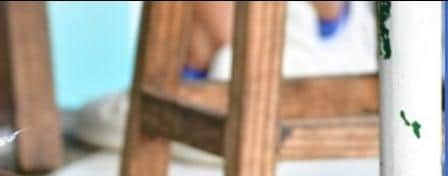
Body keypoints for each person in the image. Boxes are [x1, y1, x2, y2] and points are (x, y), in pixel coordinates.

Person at [74, 1, 378, 162]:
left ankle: (205, 68)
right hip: (351, 53)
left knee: (108, 117)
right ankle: (332, 25)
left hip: (235, 82)